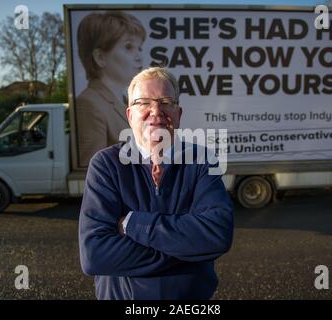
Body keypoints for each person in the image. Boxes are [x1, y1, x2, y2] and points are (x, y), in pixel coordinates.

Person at [79, 67, 234, 300]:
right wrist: (189, 250)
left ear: (179, 113)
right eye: (144, 103)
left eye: (165, 102)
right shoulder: (106, 165)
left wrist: (134, 224)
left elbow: (217, 235)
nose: (156, 112)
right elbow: (95, 255)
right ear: (130, 115)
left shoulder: (202, 161)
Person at [76, 11, 145, 167]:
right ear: (100, 57)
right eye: (129, 47)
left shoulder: (126, 101)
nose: (139, 56)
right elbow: (92, 170)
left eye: (139, 48)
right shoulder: (89, 104)